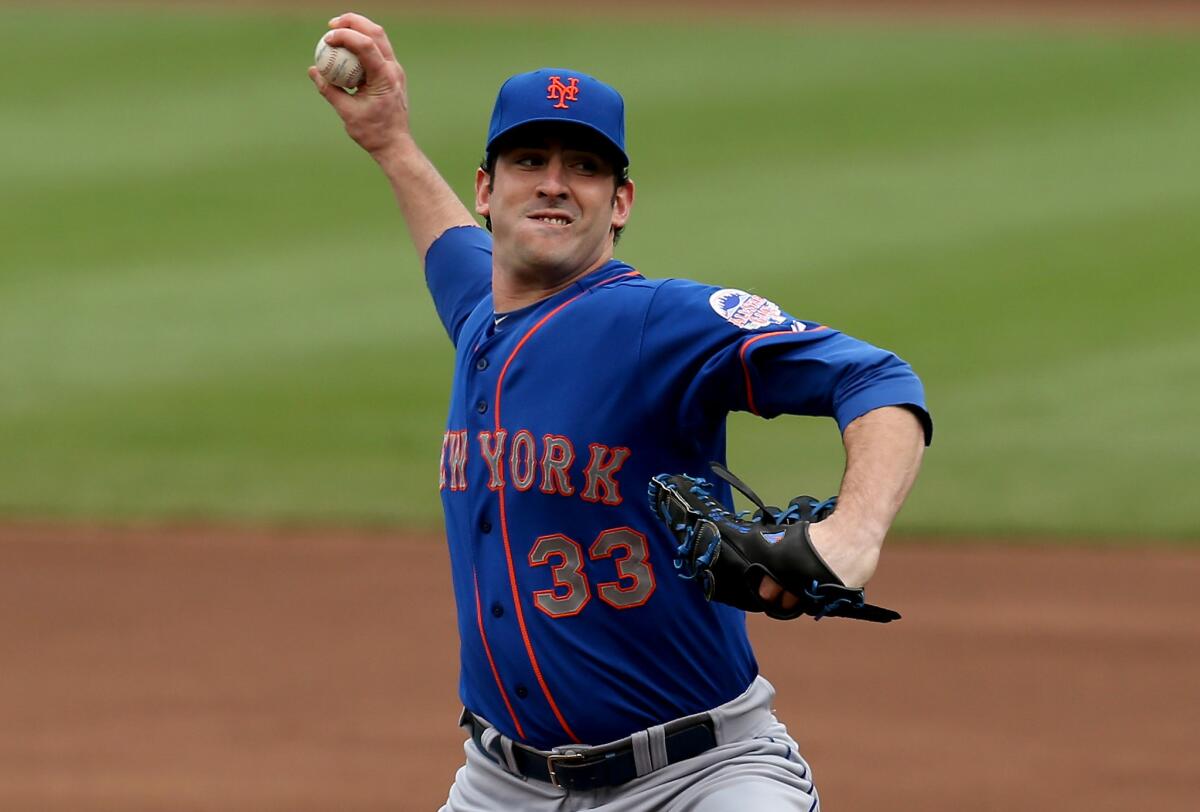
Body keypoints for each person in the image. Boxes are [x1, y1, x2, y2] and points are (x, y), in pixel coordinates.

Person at [310, 13, 931, 811]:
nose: (554, 182)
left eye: (585, 167)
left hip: (701, 776)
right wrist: (391, 141)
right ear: (487, 190)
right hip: (503, 785)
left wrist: (854, 532)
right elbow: (450, 245)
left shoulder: (660, 322)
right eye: (529, 160)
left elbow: (877, 379)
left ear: (621, 200)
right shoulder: (481, 312)